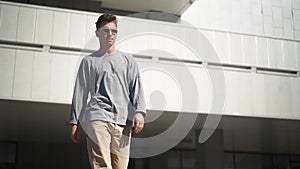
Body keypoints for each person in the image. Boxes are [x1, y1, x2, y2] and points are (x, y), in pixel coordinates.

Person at [69, 13, 146, 169]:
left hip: (124, 121)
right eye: (105, 30)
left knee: (120, 166)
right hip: (97, 116)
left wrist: (139, 112)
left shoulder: (128, 60)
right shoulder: (89, 62)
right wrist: (74, 121)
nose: (110, 34)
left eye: (114, 31)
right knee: (102, 165)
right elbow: (80, 93)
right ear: (97, 33)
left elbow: (136, 87)